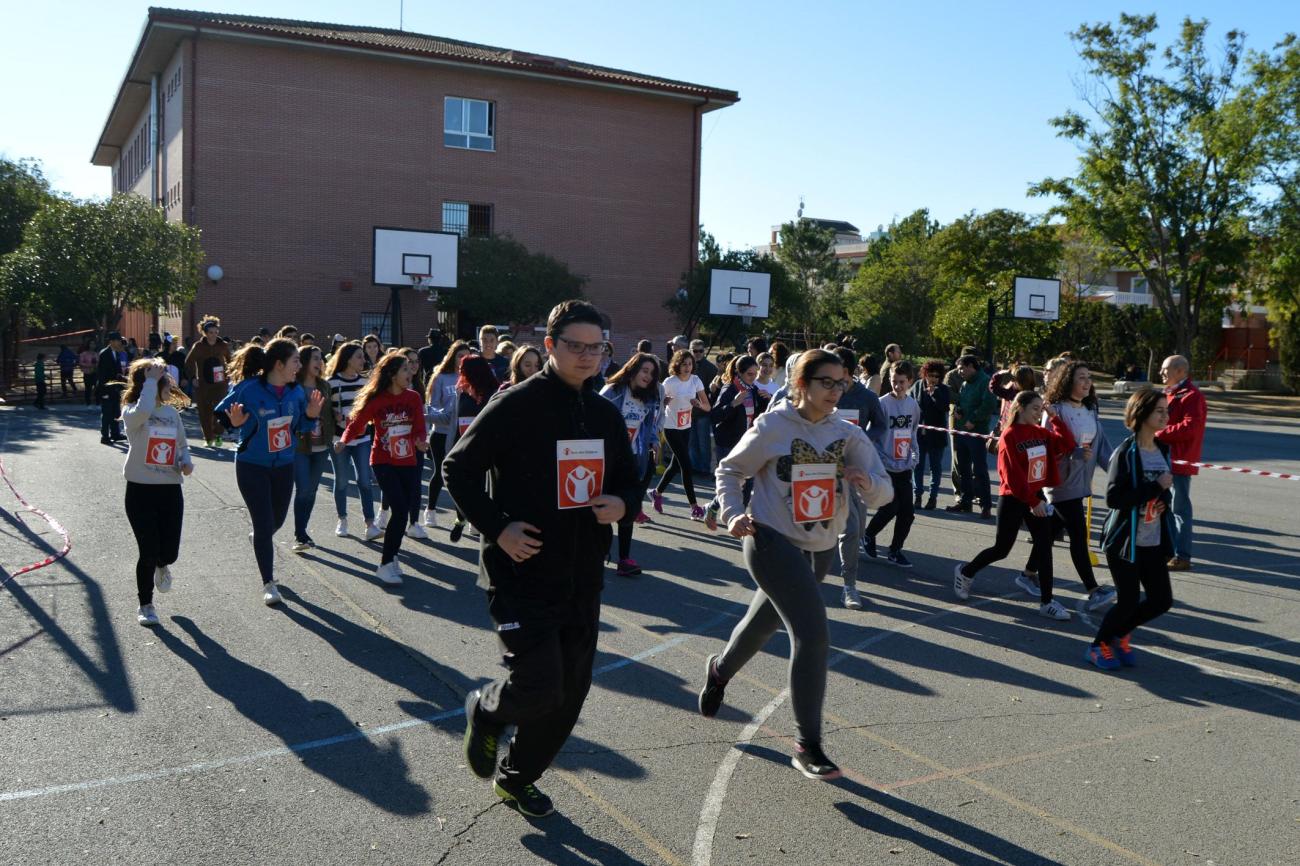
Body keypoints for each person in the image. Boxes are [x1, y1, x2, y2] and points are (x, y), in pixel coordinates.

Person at [448, 299, 640, 819]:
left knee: (569, 693)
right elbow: (457, 469)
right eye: (574, 346)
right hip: (519, 571)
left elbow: (629, 478)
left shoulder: (603, 413)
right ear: (550, 347)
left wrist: (623, 503)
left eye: (594, 347)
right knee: (539, 683)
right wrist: (499, 528)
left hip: (582, 576)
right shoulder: (515, 404)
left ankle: (516, 777)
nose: (585, 356)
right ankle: (487, 712)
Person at [698, 349, 891, 779]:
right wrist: (732, 514)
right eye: (827, 382)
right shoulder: (772, 426)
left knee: (762, 622)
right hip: (768, 539)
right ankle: (809, 745)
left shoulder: (849, 435)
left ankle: (719, 670)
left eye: (842, 383)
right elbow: (729, 471)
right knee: (812, 633)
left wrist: (867, 484)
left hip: (820, 546)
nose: (836, 391)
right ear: (801, 384)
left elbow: (884, 492)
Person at [215, 338, 325, 605]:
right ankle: (268, 582)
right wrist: (234, 423)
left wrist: (310, 415)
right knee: (264, 524)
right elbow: (220, 416)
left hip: (284, 465)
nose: (299, 365)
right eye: (296, 360)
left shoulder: (296, 393)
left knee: (276, 521)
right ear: (279, 364)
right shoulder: (249, 389)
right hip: (252, 465)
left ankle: (260, 537)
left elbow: (300, 427)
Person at [953, 390, 1076, 620]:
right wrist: (1032, 502)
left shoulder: (1041, 432)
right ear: (1020, 408)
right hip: (1014, 497)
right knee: (1002, 549)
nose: (1039, 413)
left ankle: (1047, 601)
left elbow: (1067, 444)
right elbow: (1011, 476)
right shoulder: (1009, 435)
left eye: (1041, 408)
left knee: (1043, 546)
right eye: (1035, 409)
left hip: (1035, 496)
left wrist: (1055, 417)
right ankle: (965, 571)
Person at [1086, 388, 1176, 670]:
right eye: (1159, 410)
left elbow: (1165, 490)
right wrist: (1154, 487)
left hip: (1153, 538)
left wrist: (1162, 501)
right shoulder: (1125, 452)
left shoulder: (1162, 448)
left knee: (1161, 600)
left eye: (1166, 410)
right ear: (1142, 414)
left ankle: (1119, 632)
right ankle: (1097, 646)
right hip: (1125, 540)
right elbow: (1114, 499)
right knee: (1127, 601)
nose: (1165, 415)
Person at [1022, 361, 1117, 611]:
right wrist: (1071, 453)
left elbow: (1103, 445)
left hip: (1081, 481)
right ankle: (1093, 589)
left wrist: (1120, 470)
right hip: (1060, 483)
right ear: (1068, 382)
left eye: (1089, 377)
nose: (1087, 382)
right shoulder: (1055, 410)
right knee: (1077, 534)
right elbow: (1045, 445)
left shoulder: (1090, 409)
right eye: (1081, 378)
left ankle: (1027, 573)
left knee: (1051, 532)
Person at [338, 351, 429, 584]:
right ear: (391, 375)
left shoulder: (414, 398)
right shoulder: (377, 400)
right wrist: (344, 440)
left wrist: (421, 440)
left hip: (408, 459)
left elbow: (419, 427)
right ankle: (385, 564)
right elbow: (357, 424)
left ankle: (393, 555)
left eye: (410, 369)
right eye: (405, 370)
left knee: (404, 508)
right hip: (383, 460)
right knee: (399, 509)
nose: (410, 373)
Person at [120, 358, 194, 626]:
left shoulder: (172, 414)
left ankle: (163, 565)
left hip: (170, 489)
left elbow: (182, 444)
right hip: (140, 490)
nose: (170, 385)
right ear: (150, 384)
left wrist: (185, 461)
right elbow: (143, 411)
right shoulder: (132, 412)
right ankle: (146, 604)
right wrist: (150, 380)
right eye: (165, 380)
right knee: (148, 550)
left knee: (169, 553)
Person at [601, 352, 663, 576]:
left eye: (652, 373)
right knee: (604, 507)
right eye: (644, 371)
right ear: (633, 370)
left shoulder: (650, 397)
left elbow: (651, 424)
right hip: (608, 459)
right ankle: (597, 552)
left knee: (628, 508)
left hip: (634, 459)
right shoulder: (613, 392)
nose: (648, 376)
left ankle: (624, 559)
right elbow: (595, 419)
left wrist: (654, 441)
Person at [863, 360, 921, 567]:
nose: (898, 386)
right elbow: (874, 434)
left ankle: (895, 550)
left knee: (908, 512)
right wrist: (881, 459)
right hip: (885, 465)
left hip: (904, 465)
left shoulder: (913, 405)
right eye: (894, 381)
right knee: (890, 506)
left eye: (902, 382)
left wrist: (914, 455)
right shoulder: (882, 404)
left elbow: (912, 432)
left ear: (910, 382)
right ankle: (868, 535)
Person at [1155, 355, 1206, 571]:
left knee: (1180, 509)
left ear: (1180, 371)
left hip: (1178, 461)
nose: (1161, 373)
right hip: (1163, 459)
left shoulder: (1192, 397)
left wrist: (1159, 434)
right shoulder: (1171, 393)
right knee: (1164, 508)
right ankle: (1169, 550)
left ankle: (1182, 555)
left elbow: (1190, 427)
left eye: (1165, 369)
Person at [326, 342, 380, 540]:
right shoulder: (331, 383)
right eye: (358, 356)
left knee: (365, 481)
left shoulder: (365, 382)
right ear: (347, 359)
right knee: (341, 481)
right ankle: (342, 519)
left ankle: (370, 524)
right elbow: (323, 412)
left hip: (362, 437)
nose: (363, 360)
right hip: (338, 438)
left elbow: (371, 409)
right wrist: (334, 415)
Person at [447, 354, 499, 543]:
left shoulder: (493, 391)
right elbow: (452, 417)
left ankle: (479, 521)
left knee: (483, 487)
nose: (460, 373)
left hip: (486, 444)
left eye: (464, 369)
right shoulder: (461, 391)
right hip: (464, 444)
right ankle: (461, 518)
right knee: (465, 483)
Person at [653, 349, 710, 520]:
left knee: (675, 465)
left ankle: (656, 492)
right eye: (684, 364)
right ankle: (694, 507)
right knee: (686, 465)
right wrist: (665, 402)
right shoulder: (670, 382)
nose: (687, 367)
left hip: (686, 426)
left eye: (690, 364)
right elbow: (657, 407)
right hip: (670, 428)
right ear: (677, 365)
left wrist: (698, 404)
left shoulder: (695, 380)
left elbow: (708, 407)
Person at [290, 345, 334, 553]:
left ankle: (303, 529)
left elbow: (331, 413)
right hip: (300, 446)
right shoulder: (294, 387)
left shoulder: (324, 386)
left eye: (321, 359)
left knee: (312, 491)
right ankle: (300, 534)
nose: (319, 362)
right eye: (315, 358)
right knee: (304, 490)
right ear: (305, 362)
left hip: (322, 445)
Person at [423, 340, 470, 527]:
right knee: (440, 473)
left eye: (467, 356)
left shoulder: (472, 378)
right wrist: (449, 412)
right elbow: (432, 407)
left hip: (463, 434)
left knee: (462, 476)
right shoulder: (442, 377)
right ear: (453, 356)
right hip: (441, 433)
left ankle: (462, 517)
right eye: (460, 355)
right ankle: (431, 510)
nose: (463, 359)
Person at [946, 354, 997, 518]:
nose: (959, 372)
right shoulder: (965, 383)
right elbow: (960, 400)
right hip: (962, 431)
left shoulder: (985, 381)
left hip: (976, 432)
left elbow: (989, 404)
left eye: (962, 368)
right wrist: (959, 411)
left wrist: (974, 420)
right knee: (963, 468)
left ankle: (986, 505)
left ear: (971, 366)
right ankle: (966, 501)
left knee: (980, 470)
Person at [184, 316, 233, 448]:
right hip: (203, 384)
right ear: (205, 333)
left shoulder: (222, 345)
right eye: (211, 332)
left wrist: (229, 375)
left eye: (216, 332)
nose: (214, 335)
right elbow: (189, 362)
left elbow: (231, 360)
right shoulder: (199, 346)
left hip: (220, 384)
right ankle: (208, 437)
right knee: (205, 411)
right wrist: (193, 378)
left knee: (219, 409)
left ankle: (218, 434)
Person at [912, 359, 950, 511]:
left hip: (936, 434)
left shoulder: (944, 389)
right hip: (919, 433)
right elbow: (913, 404)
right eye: (930, 375)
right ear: (925, 374)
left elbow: (944, 407)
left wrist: (935, 394)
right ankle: (918, 496)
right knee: (918, 466)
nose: (933, 378)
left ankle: (932, 497)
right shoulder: (918, 386)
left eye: (937, 376)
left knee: (936, 467)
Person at [688, 339, 718, 473]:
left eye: (701, 351)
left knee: (703, 443)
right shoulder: (686, 366)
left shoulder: (711, 368)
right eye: (695, 351)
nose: (698, 353)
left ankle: (704, 469)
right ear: (690, 351)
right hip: (687, 411)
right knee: (691, 442)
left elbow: (713, 392)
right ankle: (694, 467)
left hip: (703, 412)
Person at [96, 332, 129, 444]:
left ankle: (115, 433)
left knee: (116, 412)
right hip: (107, 389)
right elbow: (102, 375)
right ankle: (105, 436)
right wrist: (104, 391)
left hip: (115, 388)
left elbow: (117, 370)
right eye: (118, 340)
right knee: (107, 414)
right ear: (111, 341)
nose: (120, 342)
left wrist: (122, 378)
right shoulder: (104, 354)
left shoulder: (116, 353)